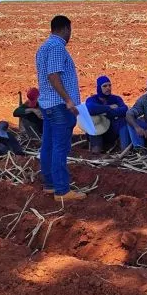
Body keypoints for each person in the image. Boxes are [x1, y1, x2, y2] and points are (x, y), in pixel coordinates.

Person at [36, 15, 85, 201]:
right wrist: (68, 100)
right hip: (58, 106)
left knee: (48, 145)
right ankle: (62, 190)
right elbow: (53, 76)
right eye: (70, 30)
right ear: (65, 29)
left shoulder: (43, 48)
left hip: (47, 104)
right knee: (60, 147)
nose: (70, 34)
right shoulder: (57, 47)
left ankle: (50, 184)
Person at [85, 76, 130, 153]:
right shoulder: (92, 99)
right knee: (94, 123)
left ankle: (124, 150)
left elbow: (124, 110)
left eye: (109, 85)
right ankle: (96, 151)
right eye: (105, 86)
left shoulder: (116, 98)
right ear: (99, 87)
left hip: (111, 131)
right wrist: (108, 107)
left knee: (122, 121)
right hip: (98, 131)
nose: (108, 88)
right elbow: (90, 109)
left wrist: (103, 112)